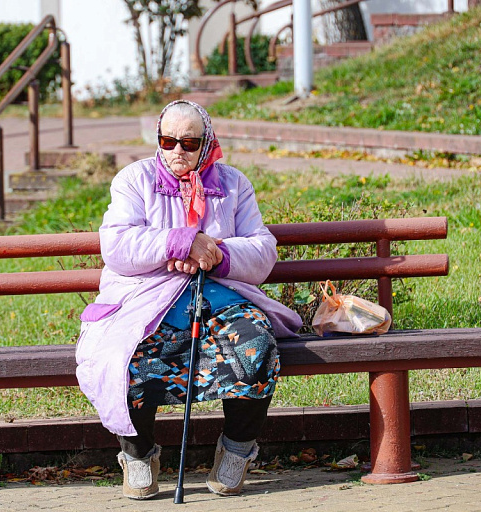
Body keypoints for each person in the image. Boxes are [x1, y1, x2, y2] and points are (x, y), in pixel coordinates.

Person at [75, 100, 303, 500]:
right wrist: (180, 242)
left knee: (257, 347)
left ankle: (237, 449)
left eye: (188, 142)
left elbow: (262, 248)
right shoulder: (134, 179)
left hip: (220, 297)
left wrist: (217, 254)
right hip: (146, 300)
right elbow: (117, 244)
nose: (177, 151)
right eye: (167, 140)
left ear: (207, 143)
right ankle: (139, 454)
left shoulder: (233, 184)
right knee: (124, 358)